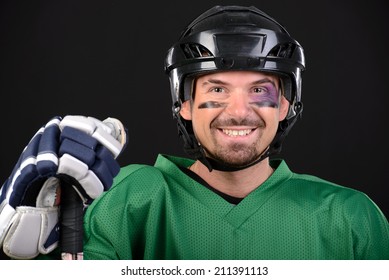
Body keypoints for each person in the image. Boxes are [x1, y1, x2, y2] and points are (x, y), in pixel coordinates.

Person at [0, 5, 388, 260]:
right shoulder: (128, 198)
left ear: (286, 104)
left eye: (259, 90)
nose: (238, 111)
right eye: (216, 89)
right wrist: (50, 258)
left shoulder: (351, 218)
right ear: (183, 104)